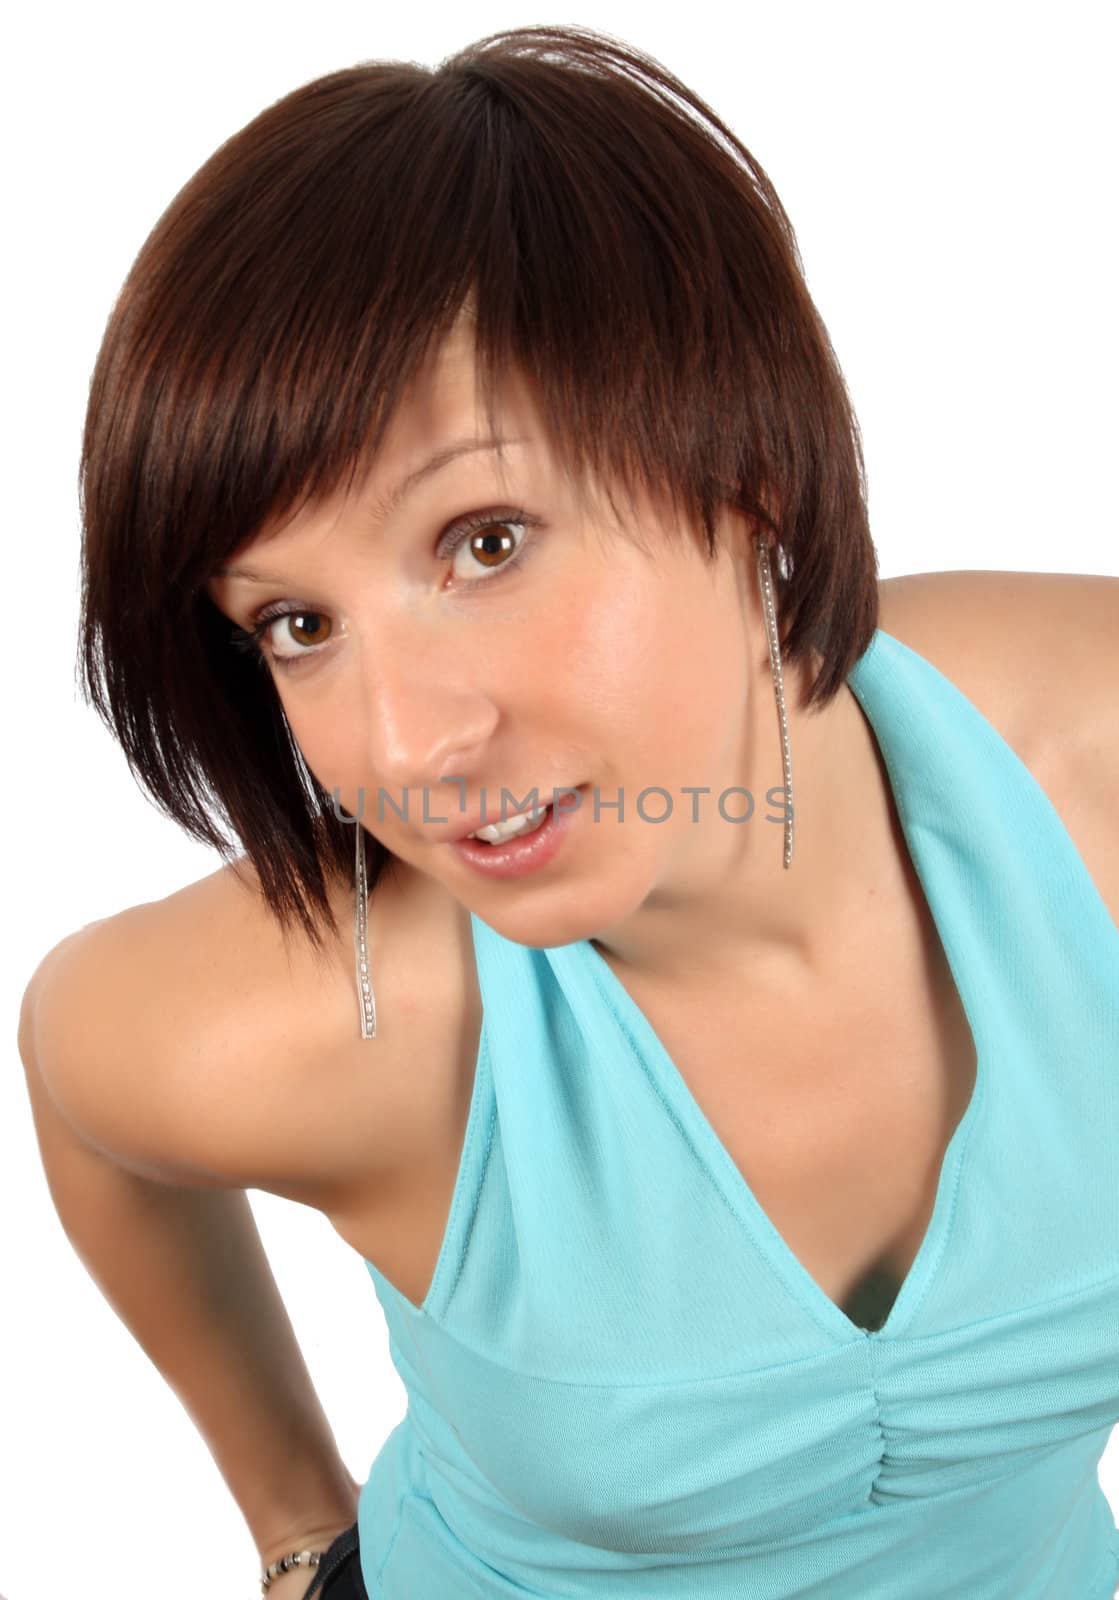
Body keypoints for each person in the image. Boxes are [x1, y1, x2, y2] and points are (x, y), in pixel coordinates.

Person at [17, 22, 1119, 1600]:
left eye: (484, 540)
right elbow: (76, 1076)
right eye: (295, 624)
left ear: (745, 471)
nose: (407, 746)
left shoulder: (1095, 767)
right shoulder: (328, 1035)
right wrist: (291, 1527)